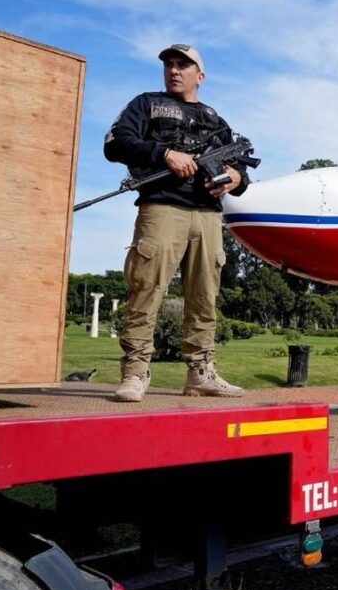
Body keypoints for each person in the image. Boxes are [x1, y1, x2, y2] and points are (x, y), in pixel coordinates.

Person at [106, 44, 250, 402]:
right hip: (162, 207)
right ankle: (135, 373)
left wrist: (234, 177)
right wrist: (164, 153)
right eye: (169, 64)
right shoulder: (146, 103)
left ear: (199, 75)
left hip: (208, 216)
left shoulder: (216, 119)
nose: (173, 70)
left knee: (204, 297)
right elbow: (115, 143)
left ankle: (201, 372)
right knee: (146, 287)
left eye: (182, 65)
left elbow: (241, 169)